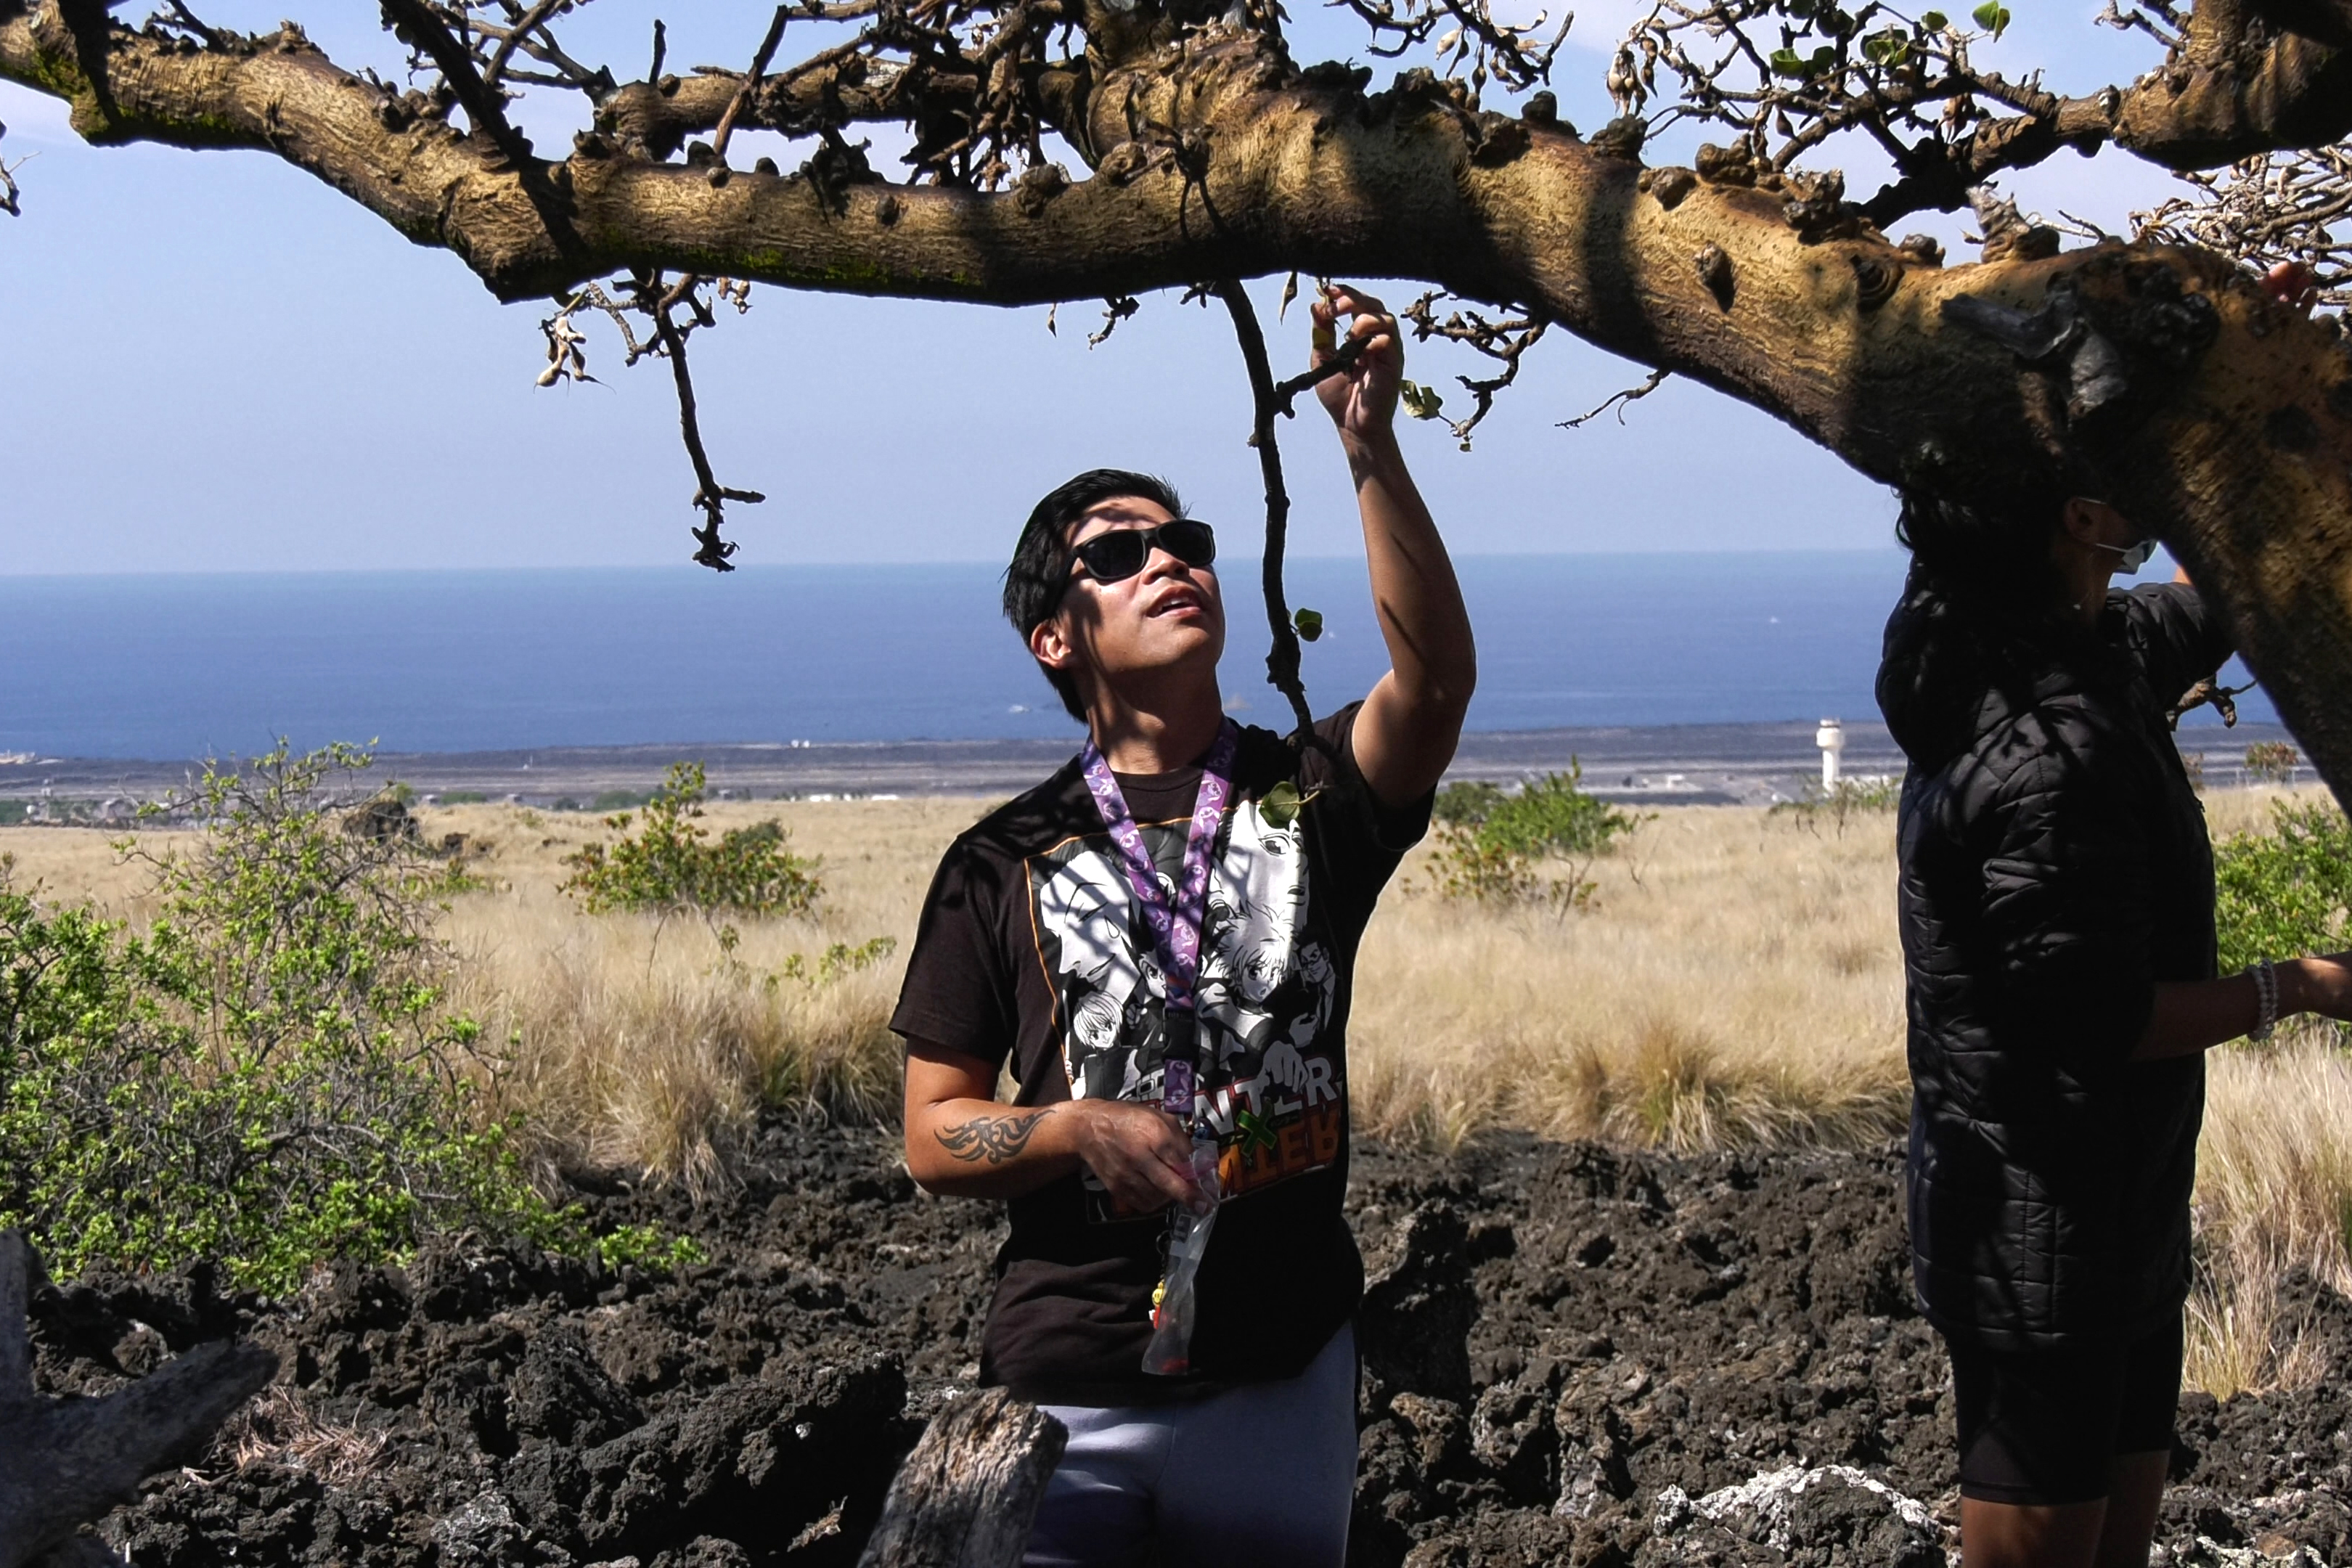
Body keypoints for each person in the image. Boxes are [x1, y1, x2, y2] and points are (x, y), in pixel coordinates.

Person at [889, 286, 1474, 1568]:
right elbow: (933, 1136)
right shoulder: (997, 865)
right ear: (1056, 636)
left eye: (1187, 541)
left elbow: (1434, 686)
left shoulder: (1312, 797)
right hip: (1064, 1395)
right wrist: (1073, 1129)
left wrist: (1368, 445)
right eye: (1116, 555)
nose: (1170, 561)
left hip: (1283, 1374)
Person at [1876, 481, 2352, 1568]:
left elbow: (2207, 595)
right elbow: (2098, 1018)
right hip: (2040, 1230)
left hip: (2112, 1202)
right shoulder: (2050, 751)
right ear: (2078, 518)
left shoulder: (2060, 640)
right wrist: (2305, 987)